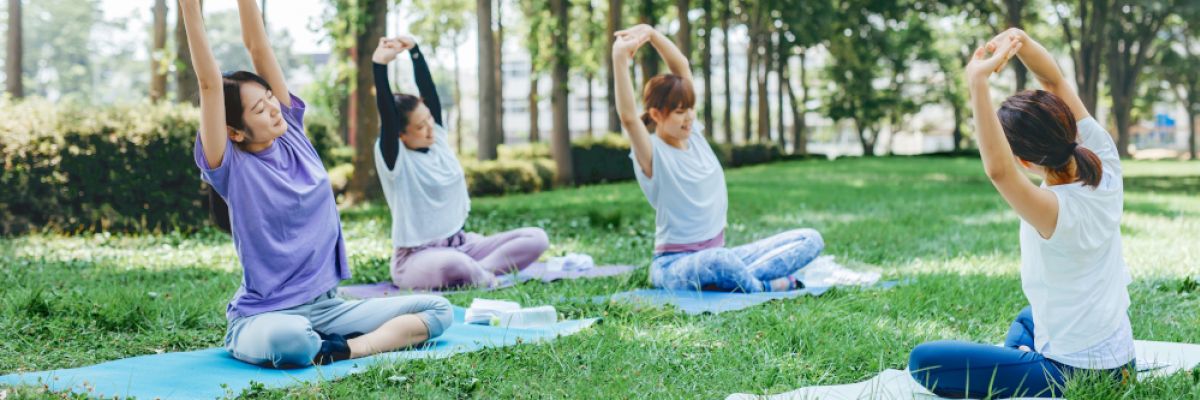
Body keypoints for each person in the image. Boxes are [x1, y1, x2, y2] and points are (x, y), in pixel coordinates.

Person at [181, 0, 452, 369]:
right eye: (259, 110)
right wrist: (189, 7)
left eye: (269, 98)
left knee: (437, 310)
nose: (272, 108)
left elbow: (258, 46)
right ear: (235, 132)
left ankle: (343, 349)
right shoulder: (231, 166)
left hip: (328, 308)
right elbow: (209, 85)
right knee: (291, 340)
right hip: (266, 316)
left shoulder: (291, 130)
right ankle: (312, 343)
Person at [907, 29, 1136, 398]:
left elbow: (999, 170)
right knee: (1028, 317)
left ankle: (1027, 366)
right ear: (1069, 125)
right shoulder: (1104, 160)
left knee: (925, 361)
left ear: (1025, 162)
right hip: (1122, 365)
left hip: (1074, 375)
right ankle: (1023, 359)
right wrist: (1021, 41)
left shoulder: (1054, 209)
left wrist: (977, 81)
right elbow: (1054, 80)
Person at [611, 24, 823, 293]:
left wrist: (651, 34)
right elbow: (629, 117)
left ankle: (737, 280)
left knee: (810, 239)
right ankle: (761, 287)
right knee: (720, 262)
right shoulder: (652, 153)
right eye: (679, 112)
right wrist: (620, 58)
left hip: (719, 255)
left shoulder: (694, 136)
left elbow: (681, 65)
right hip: (674, 266)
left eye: (690, 108)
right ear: (656, 115)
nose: (689, 117)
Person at [372, 35, 550, 291]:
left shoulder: (438, 140)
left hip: (463, 245)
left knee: (536, 238)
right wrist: (379, 65)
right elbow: (388, 115)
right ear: (401, 135)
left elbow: (430, 94)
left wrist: (415, 52)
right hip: (417, 258)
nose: (430, 128)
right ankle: (477, 274)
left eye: (429, 119)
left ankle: (478, 273)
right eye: (420, 127)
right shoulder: (395, 159)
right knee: (453, 265)